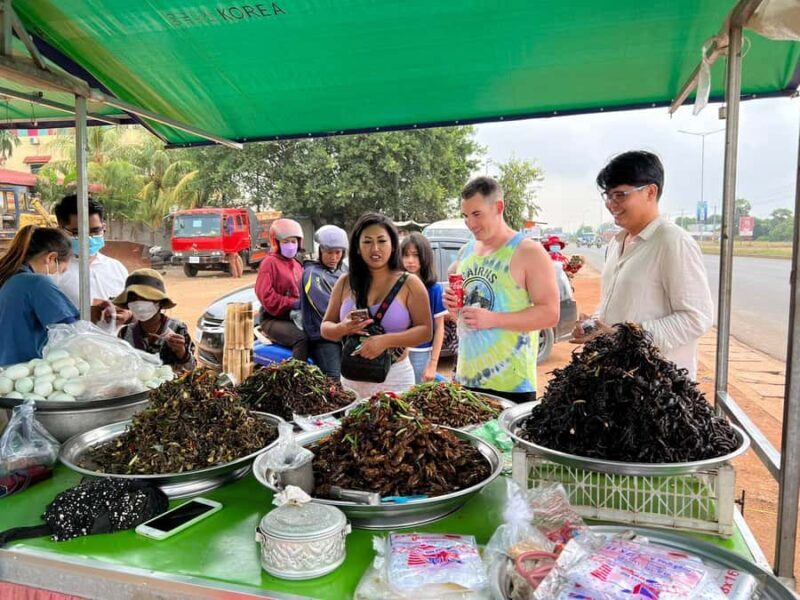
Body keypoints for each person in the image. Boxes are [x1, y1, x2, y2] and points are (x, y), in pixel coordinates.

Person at [570, 151, 714, 380]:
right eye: (607, 195)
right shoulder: (617, 242)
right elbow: (618, 303)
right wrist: (594, 325)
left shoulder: (672, 241)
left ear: (650, 192)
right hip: (617, 378)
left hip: (656, 385)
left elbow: (697, 317)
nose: (610, 204)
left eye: (620, 195)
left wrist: (627, 337)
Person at [443, 176, 560, 403]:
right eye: (465, 216)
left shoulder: (528, 252)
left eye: (477, 214)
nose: (470, 223)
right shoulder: (466, 252)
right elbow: (462, 317)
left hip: (511, 383)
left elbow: (550, 313)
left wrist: (493, 319)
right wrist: (454, 308)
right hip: (466, 378)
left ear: (498, 207)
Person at [321, 213, 432, 397]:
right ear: (357, 247)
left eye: (381, 241)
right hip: (352, 381)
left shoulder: (410, 284)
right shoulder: (344, 282)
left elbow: (426, 331)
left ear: (393, 245)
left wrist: (385, 341)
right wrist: (343, 328)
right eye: (367, 242)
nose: (375, 248)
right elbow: (325, 328)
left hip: (395, 379)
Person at [0, 226, 78, 365]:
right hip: (25, 370)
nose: (57, 275)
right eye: (61, 270)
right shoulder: (36, 283)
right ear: (51, 258)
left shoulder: (8, 278)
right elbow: (73, 332)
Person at [54, 195, 130, 324]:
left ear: (104, 227)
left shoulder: (117, 268)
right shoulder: (52, 272)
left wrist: (128, 315)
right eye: (77, 232)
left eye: (95, 231)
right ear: (61, 231)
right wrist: (82, 316)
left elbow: (132, 309)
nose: (88, 238)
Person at [113, 269, 196, 372]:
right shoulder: (125, 333)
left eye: (145, 297)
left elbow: (191, 368)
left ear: (159, 302)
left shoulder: (178, 328)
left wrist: (181, 352)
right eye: (133, 298)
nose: (138, 304)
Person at [256, 218, 308, 360]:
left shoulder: (296, 263)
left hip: (295, 316)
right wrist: (292, 303)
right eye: (285, 242)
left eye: (293, 241)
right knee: (302, 339)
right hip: (273, 319)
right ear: (276, 242)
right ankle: (297, 372)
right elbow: (265, 295)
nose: (290, 245)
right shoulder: (269, 263)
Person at [301, 225, 348, 378]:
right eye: (329, 252)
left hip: (344, 332)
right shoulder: (312, 274)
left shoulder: (342, 270)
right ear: (319, 250)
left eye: (338, 252)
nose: (334, 257)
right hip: (323, 337)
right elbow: (326, 308)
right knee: (335, 380)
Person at [401, 233, 446, 383]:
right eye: (406, 255)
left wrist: (433, 364)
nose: (410, 260)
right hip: (396, 351)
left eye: (416, 255)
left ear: (425, 257)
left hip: (420, 352)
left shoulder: (433, 289)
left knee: (416, 392)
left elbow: (439, 327)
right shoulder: (394, 286)